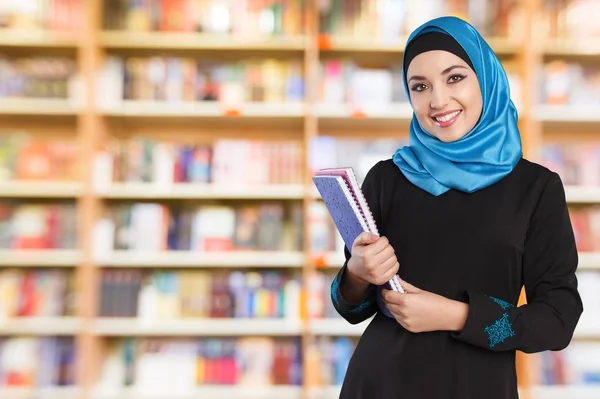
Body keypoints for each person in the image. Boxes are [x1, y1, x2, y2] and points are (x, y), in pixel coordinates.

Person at [330, 16, 584, 399]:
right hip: (379, 384)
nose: (437, 101)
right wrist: (357, 272)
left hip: (476, 387)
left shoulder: (535, 188)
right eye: (420, 86)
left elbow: (557, 321)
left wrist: (456, 315)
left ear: (485, 77)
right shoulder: (387, 178)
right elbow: (350, 307)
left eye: (454, 78)